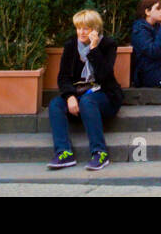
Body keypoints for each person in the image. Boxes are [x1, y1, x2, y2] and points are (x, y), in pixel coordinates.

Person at [46, 9, 122, 171]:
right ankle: (64, 152)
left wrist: (94, 50)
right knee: (55, 104)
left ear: (95, 29)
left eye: (85, 28)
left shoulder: (108, 45)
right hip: (78, 94)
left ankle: (100, 153)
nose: (81, 32)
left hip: (104, 95)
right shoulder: (71, 46)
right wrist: (69, 96)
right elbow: (63, 77)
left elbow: (105, 77)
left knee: (88, 101)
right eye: (78, 28)